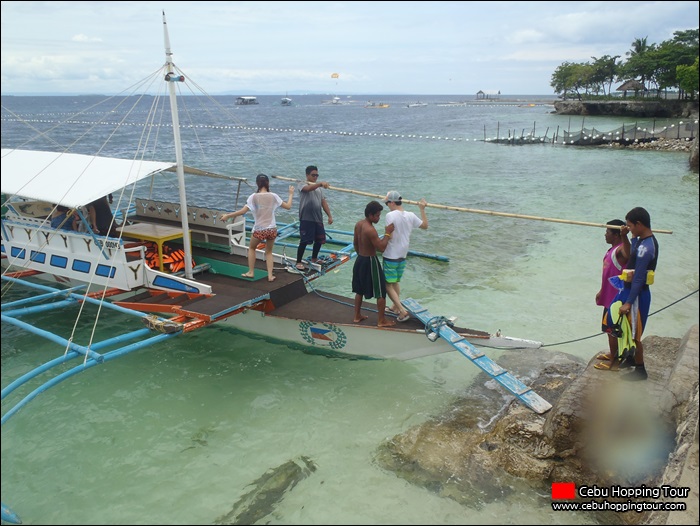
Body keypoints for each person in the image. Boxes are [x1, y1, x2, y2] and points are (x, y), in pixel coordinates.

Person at [220, 174, 294, 282]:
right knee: (269, 252)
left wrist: (228, 215)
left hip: (259, 229)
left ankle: (251, 272)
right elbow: (288, 206)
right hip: (272, 229)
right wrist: (291, 194)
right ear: (268, 183)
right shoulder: (274, 196)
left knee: (251, 248)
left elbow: (242, 211)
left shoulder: (253, 197)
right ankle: (270, 275)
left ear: (257, 183)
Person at [618, 207, 659, 381]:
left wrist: (628, 302)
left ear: (639, 224)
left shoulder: (647, 248)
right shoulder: (643, 241)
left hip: (638, 294)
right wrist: (627, 236)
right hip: (633, 291)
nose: (630, 229)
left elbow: (639, 278)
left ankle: (641, 370)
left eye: (631, 226)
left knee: (635, 332)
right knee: (625, 328)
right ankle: (630, 357)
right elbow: (632, 254)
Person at [382, 191, 428, 322]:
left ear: (392, 202)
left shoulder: (390, 215)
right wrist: (422, 209)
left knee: (387, 284)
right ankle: (394, 307)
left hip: (391, 253)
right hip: (403, 253)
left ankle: (402, 311)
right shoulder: (411, 215)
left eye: (387, 203)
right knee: (395, 281)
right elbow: (425, 226)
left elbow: (388, 233)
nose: (387, 206)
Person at [352, 200, 395, 327]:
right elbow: (381, 247)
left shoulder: (359, 224)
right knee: (381, 290)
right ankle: (381, 320)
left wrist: (361, 254)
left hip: (360, 259)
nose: (379, 217)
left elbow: (355, 243)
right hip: (370, 260)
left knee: (359, 290)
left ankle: (356, 316)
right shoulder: (370, 229)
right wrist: (387, 233)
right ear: (370, 215)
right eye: (377, 215)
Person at [593, 219, 630, 370]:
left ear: (615, 235)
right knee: (608, 329)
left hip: (616, 300)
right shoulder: (612, 249)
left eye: (607, 232)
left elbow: (628, 254)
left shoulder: (621, 249)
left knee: (613, 330)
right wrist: (602, 290)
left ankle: (614, 364)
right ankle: (613, 354)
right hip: (608, 296)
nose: (605, 234)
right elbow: (609, 273)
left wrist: (625, 236)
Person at [295, 165, 333, 270]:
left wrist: (329, 215)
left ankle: (314, 258)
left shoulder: (319, 189)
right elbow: (307, 189)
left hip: (318, 218)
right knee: (304, 240)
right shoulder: (302, 183)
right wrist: (319, 184)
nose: (315, 177)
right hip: (306, 218)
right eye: (313, 175)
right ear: (307, 175)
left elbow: (323, 202)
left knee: (319, 240)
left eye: (317, 175)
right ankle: (298, 261)